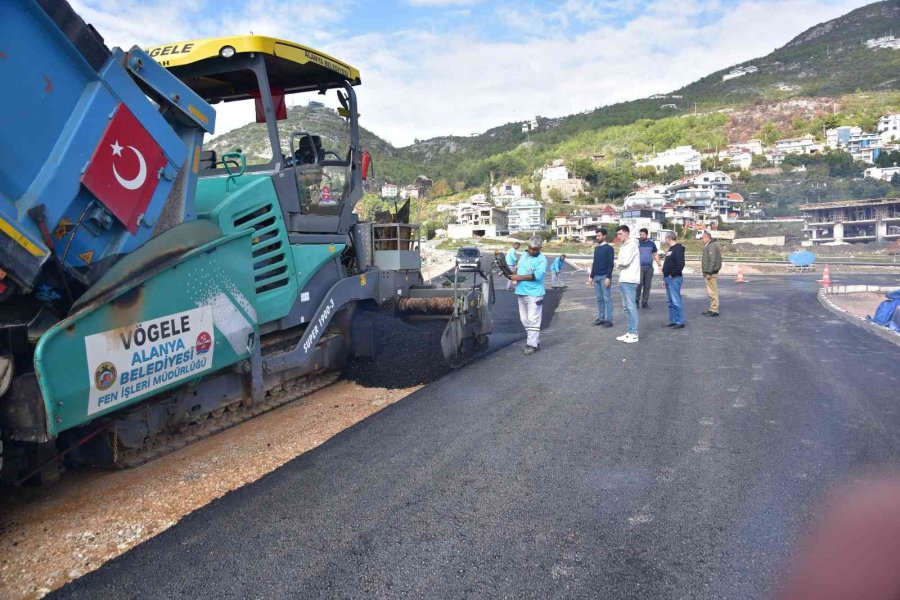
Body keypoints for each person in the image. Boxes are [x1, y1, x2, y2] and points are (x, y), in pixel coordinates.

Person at [511, 236, 547, 355]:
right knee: (524, 319)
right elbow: (518, 269)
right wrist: (512, 274)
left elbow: (537, 276)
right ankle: (535, 341)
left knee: (533, 320)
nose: (532, 251)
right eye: (530, 248)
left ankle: (531, 345)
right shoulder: (524, 255)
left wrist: (519, 277)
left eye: (535, 249)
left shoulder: (542, 260)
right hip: (521, 291)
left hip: (534, 294)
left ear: (540, 248)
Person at [615, 225, 640, 343]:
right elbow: (622, 262)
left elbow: (624, 261)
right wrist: (619, 263)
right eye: (618, 234)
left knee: (631, 306)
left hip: (630, 279)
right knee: (626, 307)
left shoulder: (632, 244)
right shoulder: (624, 246)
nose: (618, 236)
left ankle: (634, 333)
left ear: (627, 233)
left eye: (620, 234)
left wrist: (618, 263)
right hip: (624, 278)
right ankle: (630, 332)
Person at [588, 229, 614, 328]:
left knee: (607, 299)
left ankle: (609, 320)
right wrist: (591, 276)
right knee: (599, 299)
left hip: (604, 277)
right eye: (597, 236)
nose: (597, 237)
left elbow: (611, 264)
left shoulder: (609, 248)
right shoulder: (597, 249)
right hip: (597, 277)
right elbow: (595, 263)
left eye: (599, 235)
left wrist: (608, 277)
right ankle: (601, 318)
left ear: (604, 236)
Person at [661, 232, 686, 329]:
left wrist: (673, 273)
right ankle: (673, 320)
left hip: (674, 278)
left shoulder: (678, 248)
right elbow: (667, 264)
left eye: (665, 238)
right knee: (670, 301)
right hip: (668, 278)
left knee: (676, 300)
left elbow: (681, 264)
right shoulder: (670, 249)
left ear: (669, 238)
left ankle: (680, 321)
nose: (665, 240)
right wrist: (664, 277)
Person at [635, 228, 659, 309]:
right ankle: (636, 302)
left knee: (647, 286)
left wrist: (659, 265)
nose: (641, 236)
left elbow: (655, 254)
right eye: (640, 234)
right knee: (639, 285)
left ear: (647, 235)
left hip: (649, 268)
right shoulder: (637, 243)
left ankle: (644, 303)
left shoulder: (652, 244)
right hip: (639, 268)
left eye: (643, 235)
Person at [701, 231, 722, 317]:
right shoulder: (710, 245)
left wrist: (709, 272)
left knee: (712, 292)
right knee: (711, 292)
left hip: (711, 273)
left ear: (707, 238)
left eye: (702, 238)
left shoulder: (712, 246)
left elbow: (712, 260)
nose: (702, 240)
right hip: (709, 272)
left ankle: (714, 310)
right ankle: (712, 308)